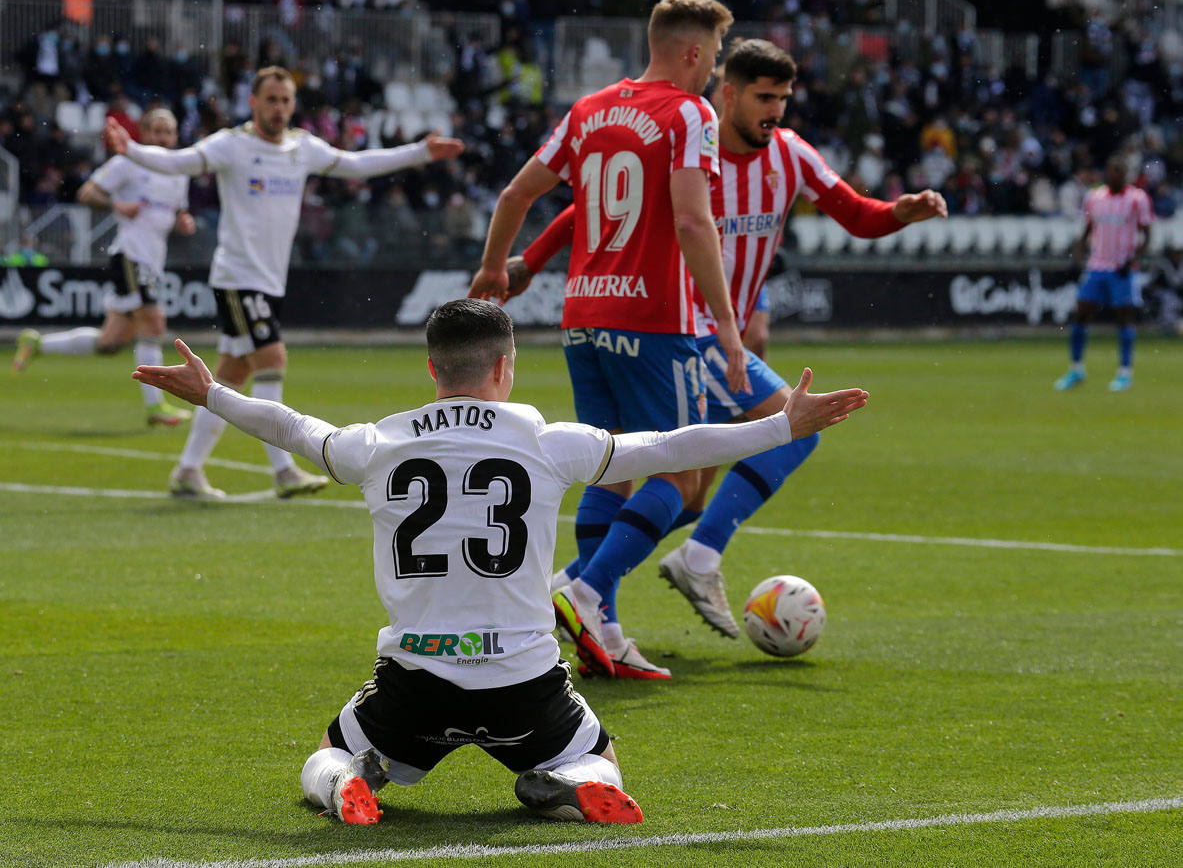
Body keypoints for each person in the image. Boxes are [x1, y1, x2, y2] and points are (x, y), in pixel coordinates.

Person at [131, 298, 869, 825]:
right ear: (505, 366)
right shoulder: (550, 442)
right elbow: (670, 447)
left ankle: (346, 784)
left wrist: (211, 393)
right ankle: (571, 780)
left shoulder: (376, 445)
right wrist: (779, 425)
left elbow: (292, 426)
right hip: (523, 680)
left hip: (416, 678)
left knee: (327, 752)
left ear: (431, 368)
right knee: (602, 755)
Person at [504, 38, 946, 664]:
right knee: (786, 430)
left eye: (784, 99)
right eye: (765, 98)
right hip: (687, 330)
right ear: (729, 92)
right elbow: (590, 208)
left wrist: (899, 210)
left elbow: (854, 213)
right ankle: (653, 569)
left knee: (674, 489)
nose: (775, 112)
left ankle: (577, 585)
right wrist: (531, 259)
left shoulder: (790, 155)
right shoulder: (694, 144)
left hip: (716, 336)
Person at [469, 0, 748, 681]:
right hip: (655, 319)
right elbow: (691, 221)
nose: (713, 69)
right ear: (691, 52)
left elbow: (514, 195)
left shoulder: (589, 110)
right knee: (680, 477)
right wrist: (727, 325)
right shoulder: (689, 114)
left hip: (584, 312)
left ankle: (606, 630)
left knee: (608, 465)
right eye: (713, 55)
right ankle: (585, 591)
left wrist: (491, 267)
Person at [103, 66, 465, 499]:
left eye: (286, 100)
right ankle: (284, 471)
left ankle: (187, 470)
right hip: (238, 277)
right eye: (270, 99)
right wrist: (133, 151)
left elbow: (357, 165)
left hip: (269, 281)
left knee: (229, 378)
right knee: (272, 360)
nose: (279, 108)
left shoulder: (301, 147)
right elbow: (180, 160)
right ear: (253, 102)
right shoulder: (232, 145)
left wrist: (420, 152)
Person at [13, 108, 197, 428]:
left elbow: (177, 211)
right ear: (144, 134)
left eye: (169, 132)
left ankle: (38, 342)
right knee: (153, 324)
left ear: (176, 136)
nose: (163, 138)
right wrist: (117, 205)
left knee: (110, 343)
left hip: (153, 262)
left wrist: (183, 220)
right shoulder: (127, 162)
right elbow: (86, 192)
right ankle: (155, 408)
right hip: (130, 255)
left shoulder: (178, 172)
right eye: (156, 131)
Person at [1054, 156, 1153, 392]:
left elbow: (1148, 234)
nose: (1116, 175)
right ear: (1107, 173)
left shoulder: (1137, 199)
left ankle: (1124, 373)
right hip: (1097, 266)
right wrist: (1076, 257)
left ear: (1126, 174)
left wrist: (1133, 260)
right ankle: (1076, 368)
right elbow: (1087, 229)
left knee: (1124, 317)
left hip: (1122, 268)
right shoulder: (1094, 197)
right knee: (1080, 314)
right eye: (1113, 170)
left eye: (1120, 171)